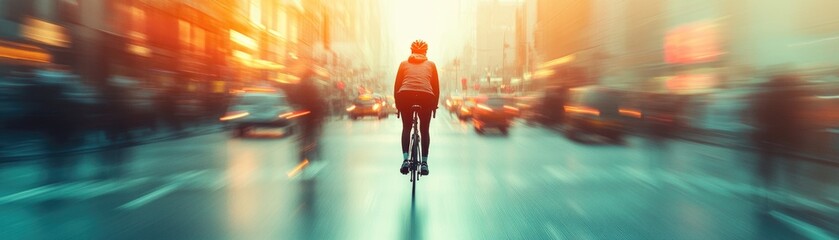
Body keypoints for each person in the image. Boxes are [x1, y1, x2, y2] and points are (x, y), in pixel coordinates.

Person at [393, 40, 440, 175]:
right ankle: (424, 163)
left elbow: (397, 86)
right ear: (425, 53)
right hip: (426, 97)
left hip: (405, 96)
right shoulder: (431, 65)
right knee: (424, 130)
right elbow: (436, 88)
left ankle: (405, 160)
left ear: (412, 52)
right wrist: (434, 106)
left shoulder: (403, 64)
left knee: (406, 128)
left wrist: (398, 105)